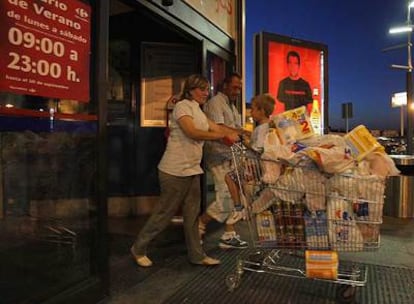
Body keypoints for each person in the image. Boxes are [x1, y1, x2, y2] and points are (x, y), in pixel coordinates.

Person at [130, 74, 240, 267]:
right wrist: (220, 137)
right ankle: (138, 248)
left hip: (192, 170)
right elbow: (192, 132)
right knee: (164, 213)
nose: (206, 93)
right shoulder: (182, 107)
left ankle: (197, 256)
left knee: (191, 216)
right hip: (174, 170)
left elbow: (216, 127)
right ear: (190, 90)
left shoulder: (197, 109)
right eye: (201, 89)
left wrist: (239, 133)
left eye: (207, 89)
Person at [199, 72, 249, 249]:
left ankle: (229, 233)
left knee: (236, 196)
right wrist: (243, 134)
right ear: (225, 86)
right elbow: (220, 129)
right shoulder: (215, 103)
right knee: (226, 196)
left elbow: (235, 129)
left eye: (239, 88)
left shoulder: (231, 106)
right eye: (235, 87)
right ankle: (199, 226)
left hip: (229, 156)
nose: (237, 91)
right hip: (218, 155)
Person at [224, 94, 276, 214]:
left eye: (252, 109)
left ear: (261, 111)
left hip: (253, 165)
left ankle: (238, 207)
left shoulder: (261, 128)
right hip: (257, 166)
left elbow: (257, 148)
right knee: (245, 187)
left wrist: (242, 139)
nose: (251, 112)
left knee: (229, 177)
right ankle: (246, 207)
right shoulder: (267, 126)